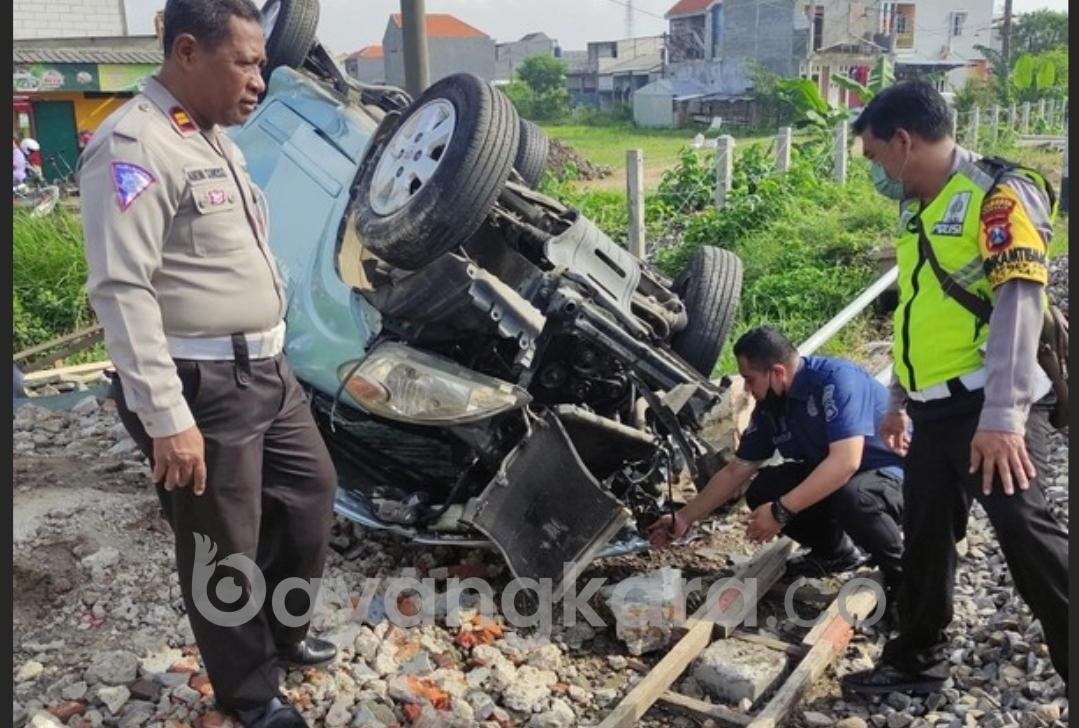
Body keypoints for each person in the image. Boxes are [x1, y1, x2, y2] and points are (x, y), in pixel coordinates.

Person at [77, 2, 338, 726]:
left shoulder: (210, 136)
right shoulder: (134, 145)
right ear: (187, 51)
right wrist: (168, 418)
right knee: (223, 547)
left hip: (265, 372)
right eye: (246, 62)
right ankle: (250, 695)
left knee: (309, 501)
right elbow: (121, 289)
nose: (260, 78)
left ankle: (283, 632)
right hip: (199, 384)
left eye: (260, 63)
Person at [839, 81, 1068, 697]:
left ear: (904, 141)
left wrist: (1002, 418)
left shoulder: (998, 195)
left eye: (875, 157)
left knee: (1029, 539)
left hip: (990, 410)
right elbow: (917, 311)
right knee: (926, 540)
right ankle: (917, 662)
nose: (877, 172)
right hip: (934, 412)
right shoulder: (918, 207)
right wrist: (896, 400)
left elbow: (1021, 301)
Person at [649, 326, 905, 610]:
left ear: (778, 372)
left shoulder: (835, 381)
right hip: (842, 481)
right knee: (764, 488)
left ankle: (905, 579)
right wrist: (684, 517)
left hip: (892, 476)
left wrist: (781, 511)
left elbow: (846, 462)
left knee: (855, 498)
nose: (747, 389)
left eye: (750, 379)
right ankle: (837, 553)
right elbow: (737, 471)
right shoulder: (772, 407)